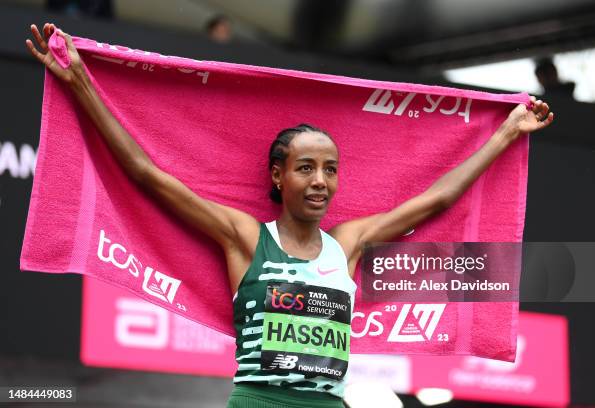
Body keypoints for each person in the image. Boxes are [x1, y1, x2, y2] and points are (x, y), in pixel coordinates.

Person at [26, 23, 553, 408]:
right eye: (306, 168)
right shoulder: (245, 238)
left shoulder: (348, 243)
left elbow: (437, 201)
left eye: (331, 169)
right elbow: (145, 173)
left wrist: (506, 133)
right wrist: (81, 85)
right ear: (279, 177)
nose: (321, 181)